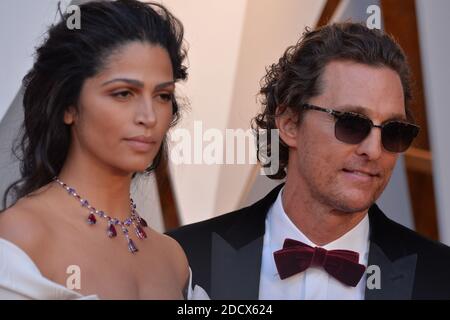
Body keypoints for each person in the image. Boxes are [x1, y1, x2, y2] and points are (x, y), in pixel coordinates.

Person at [168, 22, 450, 299]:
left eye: (393, 131)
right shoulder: (185, 260)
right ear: (290, 124)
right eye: (351, 123)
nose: (374, 150)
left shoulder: (440, 276)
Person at [0, 0, 197, 299]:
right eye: (123, 93)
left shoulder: (174, 259)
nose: (149, 116)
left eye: (162, 95)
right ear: (68, 105)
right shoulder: (21, 236)